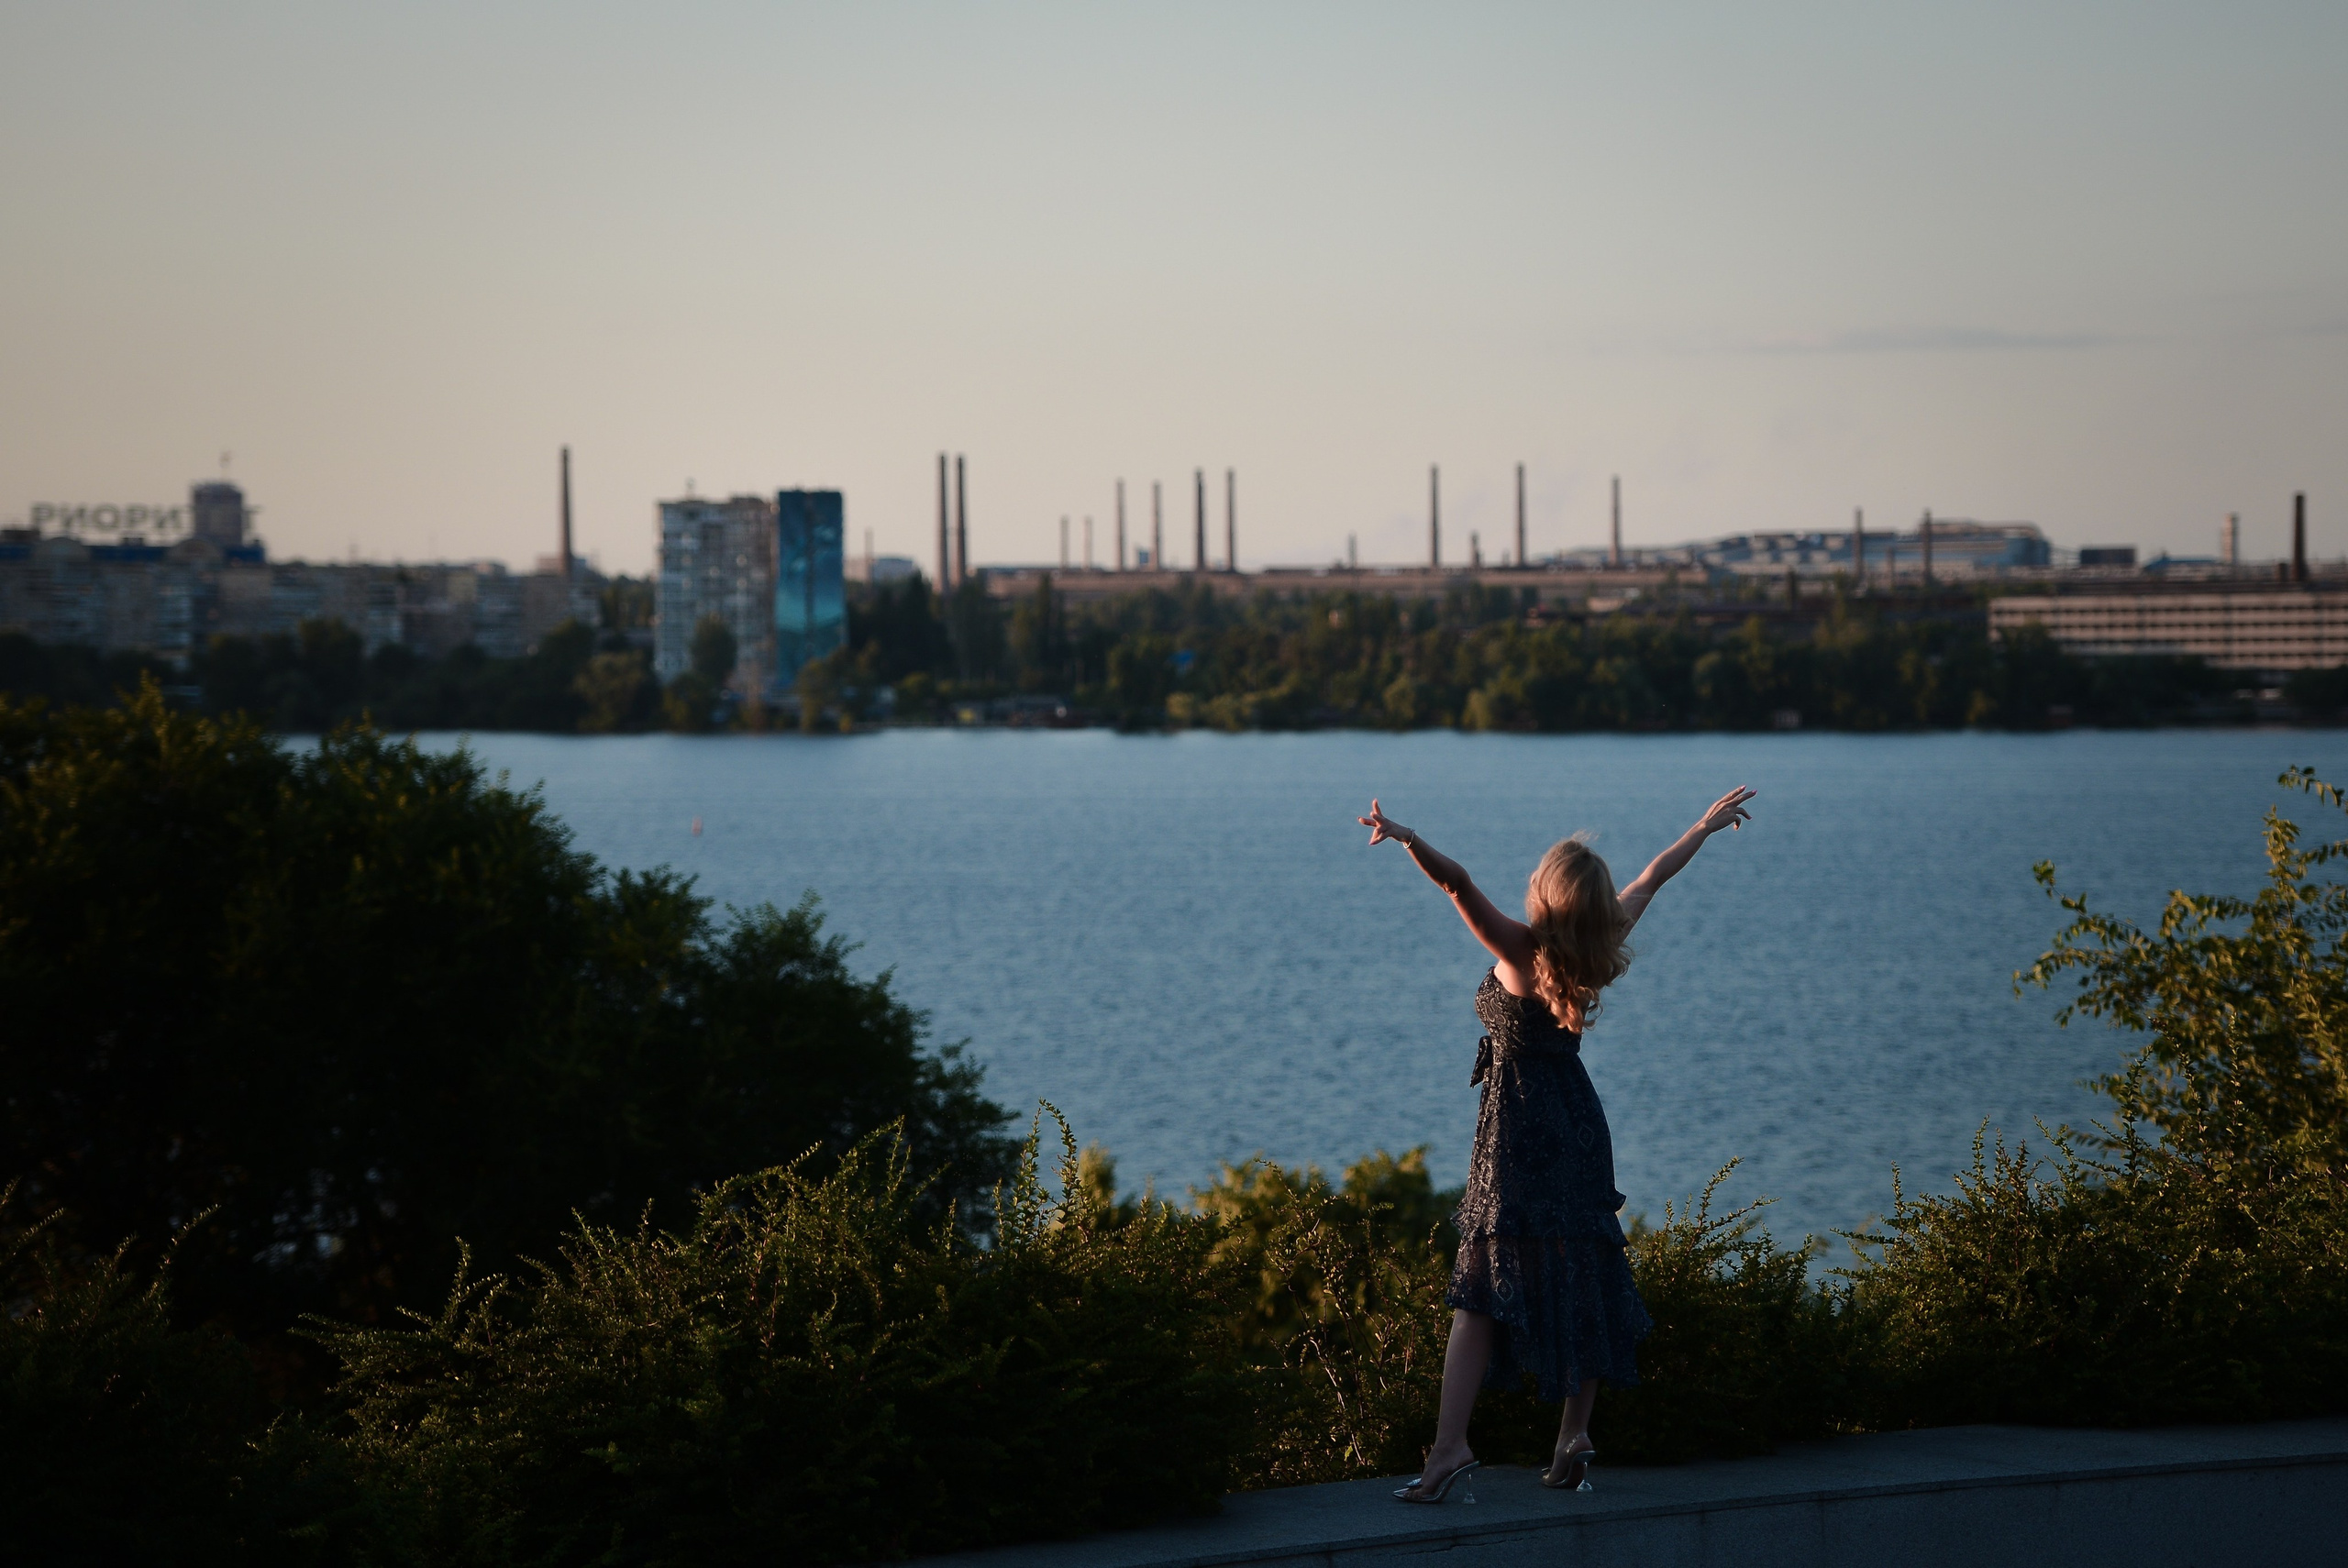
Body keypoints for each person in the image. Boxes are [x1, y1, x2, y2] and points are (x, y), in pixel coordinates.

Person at [1357, 786, 1757, 1501]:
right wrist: (1701, 826)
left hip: (1515, 1131)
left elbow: (1458, 884)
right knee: (1582, 1272)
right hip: (1576, 1124)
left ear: (1544, 895)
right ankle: (1573, 1433)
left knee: (1479, 1289)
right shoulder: (1595, 949)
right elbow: (1653, 876)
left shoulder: (1519, 950)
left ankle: (1449, 1449)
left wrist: (1410, 837)